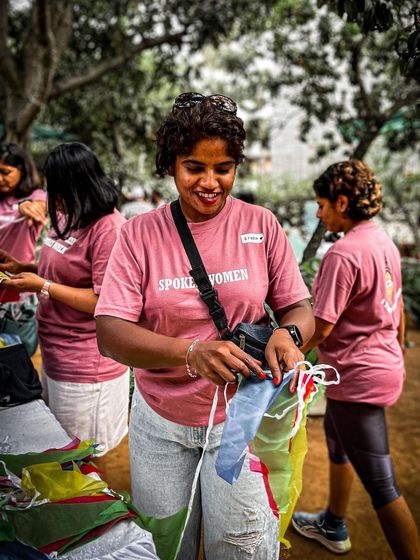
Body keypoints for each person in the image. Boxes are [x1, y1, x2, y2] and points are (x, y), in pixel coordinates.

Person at [95, 92, 315, 559]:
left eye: (224, 168)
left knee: (241, 549)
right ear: (171, 165)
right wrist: (191, 353)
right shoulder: (137, 234)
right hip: (160, 424)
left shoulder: (262, 225)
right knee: (165, 544)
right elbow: (111, 332)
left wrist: (287, 334)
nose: (210, 182)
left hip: (242, 422)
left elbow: (299, 308)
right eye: (194, 167)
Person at [292, 160, 420, 559]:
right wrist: (395, 351)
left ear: (342, 202)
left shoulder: (342, 255)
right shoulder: (381, 242)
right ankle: (333, 522)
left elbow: (323, 327)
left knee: (382, 486)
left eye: (321, 204)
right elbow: (396, 309)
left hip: (358, 377)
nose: (318, 212)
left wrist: (284, 349)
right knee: (337, 439)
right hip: (381, 364)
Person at [0, 142, 129, 464]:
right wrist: (24, 267)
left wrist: (41, 286)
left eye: (53, 183)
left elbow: (105, 300)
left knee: (81, 456)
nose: (48, 191)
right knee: (61, 446)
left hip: (87, 365)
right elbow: (67, 274)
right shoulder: (68, 214)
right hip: (57, 353)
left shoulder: (108, 228)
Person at [0, 143, 48, 356]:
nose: (0, 178)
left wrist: (24, 206)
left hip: (18, 294)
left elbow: (39, 205)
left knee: (18, 359)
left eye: (5, 172)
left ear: (23, 170)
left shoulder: (36, 196)